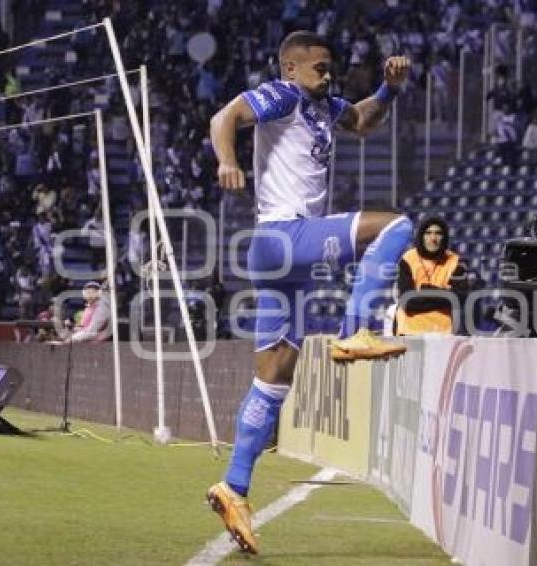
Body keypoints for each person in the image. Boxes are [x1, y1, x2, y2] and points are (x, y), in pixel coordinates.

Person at [206, 31, 413, 554]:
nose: (328, 75)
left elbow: (363, 120)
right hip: (285, 235)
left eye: (330, 68)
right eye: (319, 68)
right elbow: (223, 117)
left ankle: (234, 485)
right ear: (291, 68)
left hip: (278, 260)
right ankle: (356, 330)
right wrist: (227, 160)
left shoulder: (325, 104)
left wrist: (388, 90)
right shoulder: (283, 94)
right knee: (396, 227)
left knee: (274, 376)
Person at [395, 216, 468, 335]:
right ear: (421, 236)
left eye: (438, 233)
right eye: (428, 233)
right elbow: (407, 302)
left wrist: (425, 290)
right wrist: (444, 294)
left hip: (442, 334)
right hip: (409, 332)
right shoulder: (408, 259)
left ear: (444, 237)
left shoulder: (456, 261)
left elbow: (459, 299)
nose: (433, 238)